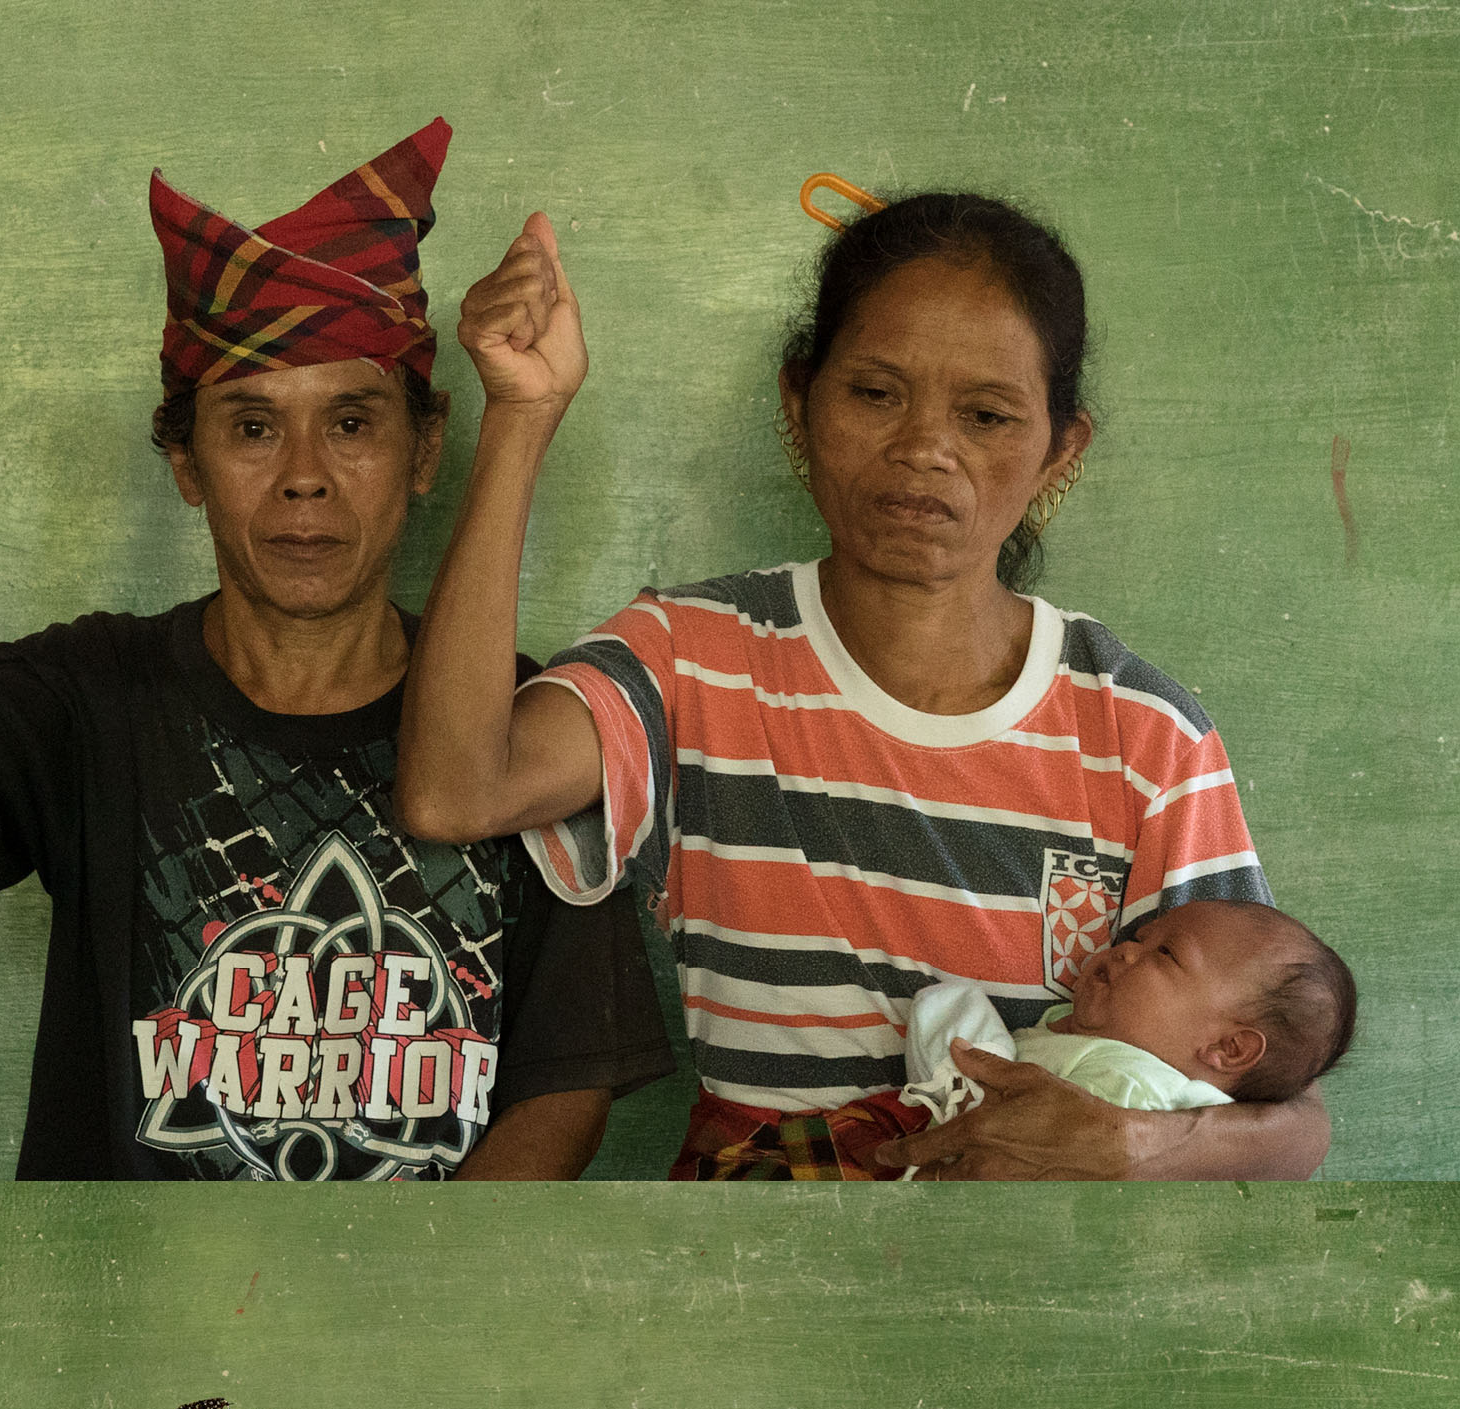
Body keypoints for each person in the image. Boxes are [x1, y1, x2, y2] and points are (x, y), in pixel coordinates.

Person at [400, 196, 1323, 1180]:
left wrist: (1135, 1142)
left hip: (1026, 1294)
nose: (924, 447)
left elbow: (1293, 1130)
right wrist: (521, 416)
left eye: (986, 415)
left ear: (1061, 449)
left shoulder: (1140, 737)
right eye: (875, 393)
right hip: (754, 1274)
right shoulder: (691, 663)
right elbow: (456, 789)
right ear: (798, 402)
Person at [0, 128, 660, 1178]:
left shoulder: (527, 725)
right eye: (252, 429)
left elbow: (560, 1096)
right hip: (129, 1326)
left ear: (425, 450)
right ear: (185, 464)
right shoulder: (91, 697)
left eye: (351, 423)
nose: (304, 476)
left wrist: (404, 1314)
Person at [829, 898, 1351, 1175]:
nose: (1126, 950)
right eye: (1140, 938)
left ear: (1228, 1048)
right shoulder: (1092, 1042)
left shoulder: (1134, 1092)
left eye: (1164, 956)